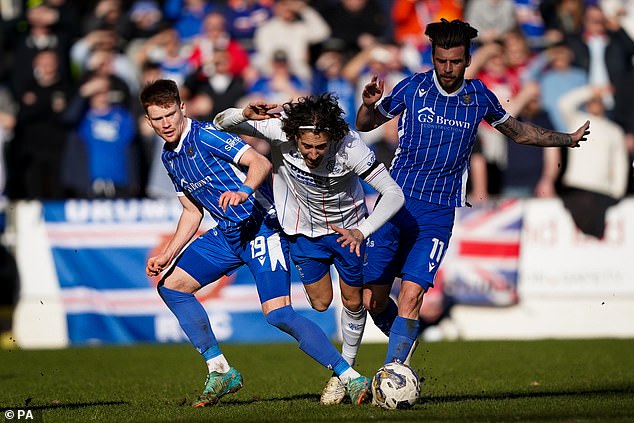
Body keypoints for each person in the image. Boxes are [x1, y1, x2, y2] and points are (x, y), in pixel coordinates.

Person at [355, 18, 590, 366]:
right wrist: (369, 106)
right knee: (371, 300)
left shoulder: (479, 96)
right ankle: (402, 343)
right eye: (440, 60)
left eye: (454, 61)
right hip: (395, 203)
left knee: (412, 295)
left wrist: (566, 139)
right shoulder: (412, 88)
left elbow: (519, 132)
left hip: (438, 213)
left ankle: (394, 371)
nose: (447, 68)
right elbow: (364, 125)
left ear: (467, 59)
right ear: (432, 57)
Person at [139, 79, 372, 407]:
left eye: (170, 116)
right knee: (171, 286)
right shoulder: (169, 156)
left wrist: (244, 192)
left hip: (262, 228)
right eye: (158, 119)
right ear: (148, 121)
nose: (166, 124)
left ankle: (350, 377)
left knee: (277, 315)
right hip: (228, 234)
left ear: (182, 109)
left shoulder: (204, 135)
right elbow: (191, 212)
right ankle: (219, 369)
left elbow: (259, 163)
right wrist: (168, 253)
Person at [213, 93, 405, 404]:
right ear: (294, 137)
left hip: (348, 232)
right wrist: (243, 112)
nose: (313, 153)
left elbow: (393, 194)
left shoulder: (351, 146)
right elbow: (220, 123)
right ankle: (383, 320)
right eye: (306, 146)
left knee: (354, 301)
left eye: (320, 146)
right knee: (320, 303)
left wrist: (362, 230)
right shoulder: (278, 129)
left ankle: (347, 374)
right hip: (302, 232)